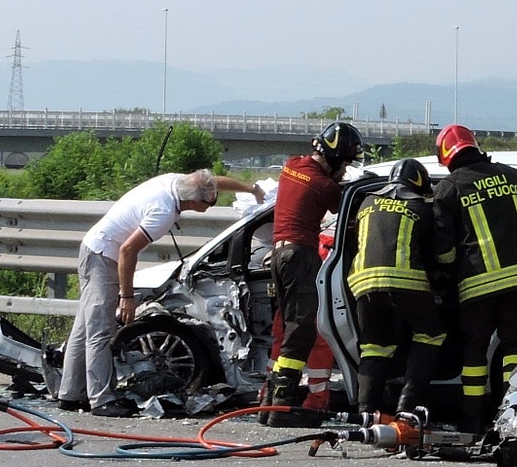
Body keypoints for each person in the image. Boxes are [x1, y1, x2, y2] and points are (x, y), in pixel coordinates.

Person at [58, 168, 266, 418]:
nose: (211, 206)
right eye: (208, 203)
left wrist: (251, 189)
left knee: (84, 328)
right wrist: (127, 296)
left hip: (97, 249)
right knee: (100, 331)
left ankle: (70, 395)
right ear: (193, 201)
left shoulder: (178, 182)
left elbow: (211, 182)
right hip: (104, 256)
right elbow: (127, 251)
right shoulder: (164, 212)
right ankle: (101, 400)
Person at [430, 124, 517, 434]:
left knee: (475, 350)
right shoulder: (508, 175)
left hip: (478, 284)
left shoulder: (448, 189)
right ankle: (513, 412)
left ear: (446, 157)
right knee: (515, 346)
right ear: (475, 145)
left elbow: (444, 249)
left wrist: (442, 276)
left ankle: (473, 418)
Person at [262, 119, 363, 424]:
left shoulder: (292, 165)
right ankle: (282, 405)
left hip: (278, 255)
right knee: (301, 329)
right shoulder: (324, 186)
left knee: (287, 327)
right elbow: (344, 209)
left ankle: (270, 403)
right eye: (344, 164)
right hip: (301, 256)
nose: (344, 170)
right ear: (333, 159)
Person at [347, 159, 450, 419]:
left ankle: (366, 412)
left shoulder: (366, 203)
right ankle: (407, 406)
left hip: (363, 284)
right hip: (407, 282)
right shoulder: (420, 207)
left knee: (374, 346)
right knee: (430, 334)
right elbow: (438, 254)